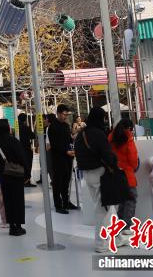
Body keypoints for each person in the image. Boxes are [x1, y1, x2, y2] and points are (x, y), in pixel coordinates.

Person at [74, 106, 126, 253]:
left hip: (87, 174)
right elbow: (108, 154)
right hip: (101, 174)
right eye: (103, 118)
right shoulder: (98, 133)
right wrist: (114, 166)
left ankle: (117, 238)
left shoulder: (81, 134)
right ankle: (101, 244)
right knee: (103, 209)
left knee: (109, 208)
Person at [0, 119, 27, 236]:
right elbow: (22, 157)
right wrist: (27, 173)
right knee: (18, 200)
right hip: (16, 175)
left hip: (4, 176)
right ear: (8, 128)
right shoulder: (14, 141)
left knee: (8, 200)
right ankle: (18, 226)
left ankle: (11, 227)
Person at [109, 118, 139, 231]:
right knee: (131, 199)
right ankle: (127, 226)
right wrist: (134, 166)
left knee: (122, 199)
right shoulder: (128, 138)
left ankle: (120, 223)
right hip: (127, 172)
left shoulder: (111, 136)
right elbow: (133, 158)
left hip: (115, 172)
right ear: (129, 128)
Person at [48, 104, 78, 213]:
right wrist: (66, 151)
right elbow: (54, 144)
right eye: (64, 114)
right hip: (57, 158)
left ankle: (66, 202)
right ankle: (58, 205)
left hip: (68, 158)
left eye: (66, 115)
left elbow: (68, 140)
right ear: (58, 114)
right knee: (57, 182)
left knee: (66, 180)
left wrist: (72, 141)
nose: (65, 116)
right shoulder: (52, 127)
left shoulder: (66, 125)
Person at [18, 113, 37, 188]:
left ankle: (22, 180)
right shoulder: (26, 127)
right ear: (25, 120)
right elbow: (33, 136)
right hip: (26, 148)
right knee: (28, 164)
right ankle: (27, 180)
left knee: (21, 164)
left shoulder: (17, 127)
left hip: (19, 149)